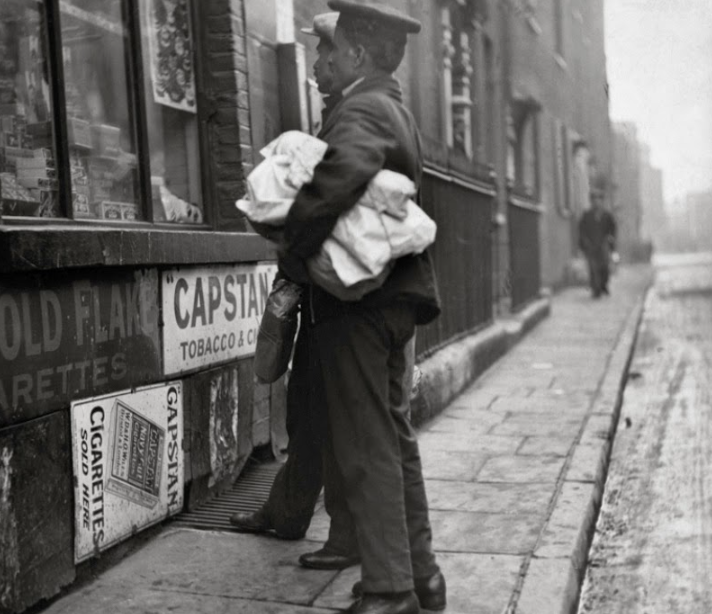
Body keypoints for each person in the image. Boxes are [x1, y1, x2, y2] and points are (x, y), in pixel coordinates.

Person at [277, 2, 445, 613]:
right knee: (394, 440)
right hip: (392, 299)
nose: (327, 59)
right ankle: (420, 576)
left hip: (362, 303)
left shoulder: (365, 107)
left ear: (358, 54)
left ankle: (391, 591)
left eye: (334, 48)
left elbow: (339, 175)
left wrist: (292, 245)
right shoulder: (389, 104)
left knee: (366, 444)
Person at [229, 11, 361, 571]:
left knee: (342, 419)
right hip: (323, 294)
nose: (314, 65)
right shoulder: (335, 115)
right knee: (308, 407)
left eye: (320, 56)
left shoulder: (355, 117)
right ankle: (287, 511)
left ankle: (350, 535)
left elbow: (340, 206)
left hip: (346, 299)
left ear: (342, 55)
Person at [578, 186, 617, 298]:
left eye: (599, 199)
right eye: (594, 199)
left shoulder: (607, 215)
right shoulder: (586, 215)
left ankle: (604, 285)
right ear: (591, 201)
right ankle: (596, 290)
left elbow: (612, 229)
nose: (596, 202)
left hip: (603, 245)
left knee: (604, 268)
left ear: (602, 201)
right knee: (593, 268)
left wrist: (611, 239)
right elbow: (582, 230)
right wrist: (584, 243)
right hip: (591, 246)